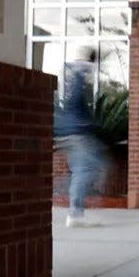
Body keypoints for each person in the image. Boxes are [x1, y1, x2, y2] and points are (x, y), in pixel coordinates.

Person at [55, 47, 107, 228]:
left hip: (73, 132)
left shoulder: (75, 74)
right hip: (77, 133)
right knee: (84, 171)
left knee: (91, 167)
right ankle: (74, 212)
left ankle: (65, 191)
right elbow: (75, 101)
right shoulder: (79, 73)